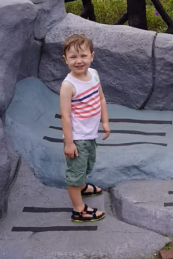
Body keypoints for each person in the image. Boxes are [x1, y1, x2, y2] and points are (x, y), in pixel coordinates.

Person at [59, 33, 111, 223]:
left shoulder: (94, 74)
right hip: (77, 137)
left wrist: (105, 121)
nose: (79, 61)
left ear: (92, 56)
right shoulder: (68, 85)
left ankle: (81, 186)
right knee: (75, 173)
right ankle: (79, 209)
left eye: (83, 56)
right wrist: (70, 143)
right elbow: (65, 116)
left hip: (90, 135)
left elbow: (101, 98)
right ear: (66, 60)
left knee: (87, 165)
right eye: (73, 57)